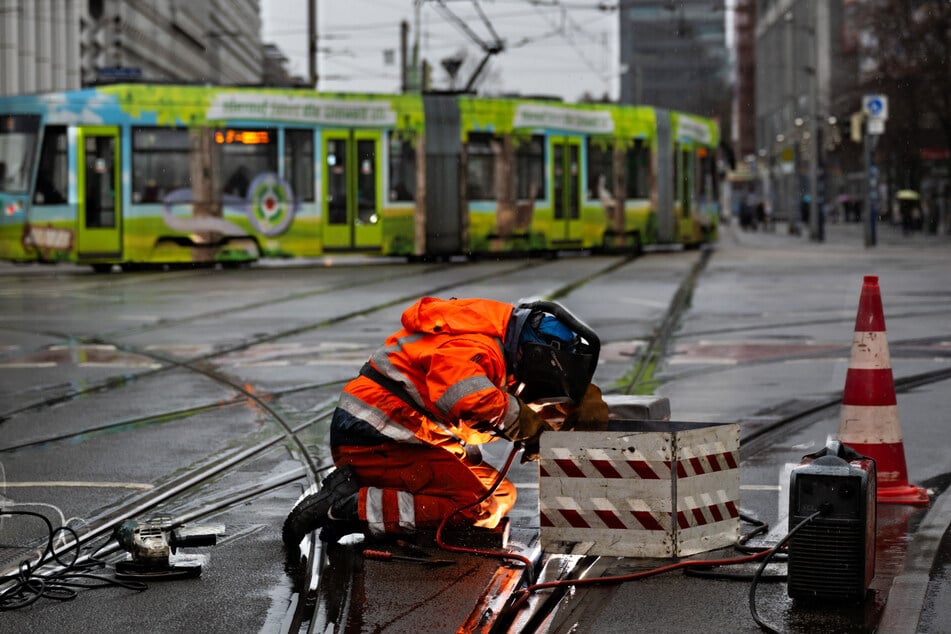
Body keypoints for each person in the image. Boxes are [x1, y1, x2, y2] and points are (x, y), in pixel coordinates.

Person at [283, 297, 609, 546]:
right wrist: (529, 430)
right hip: (377, 436)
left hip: (404, 436)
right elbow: (468, 397)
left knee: (499, 497)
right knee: (472, 505)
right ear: (536, 357)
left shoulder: (496, 340)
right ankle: (350, 507)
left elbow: (493, 406)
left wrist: (571, 402)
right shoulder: (479, 346)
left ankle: (363, 506)